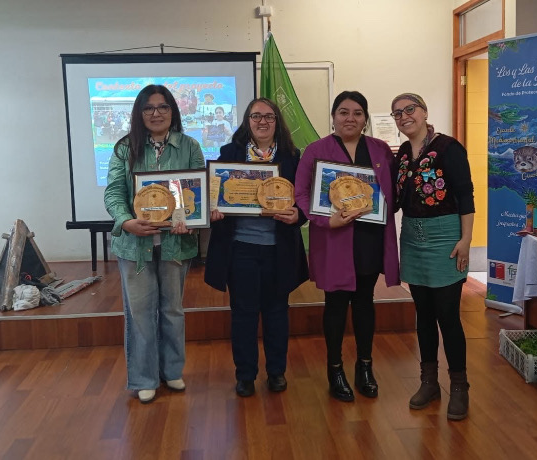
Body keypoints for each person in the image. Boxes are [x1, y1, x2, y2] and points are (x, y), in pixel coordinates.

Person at [295, 91, 399, 402]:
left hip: (369, 238)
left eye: (356, 113)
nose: (349, 118)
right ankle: (335, 368)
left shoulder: (380, 150)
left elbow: (391, 193)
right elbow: (301, 195)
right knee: (336, 305)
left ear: (365, 119)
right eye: (343, 112)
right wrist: (328, 221)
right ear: (333, 117)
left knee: (365, 302)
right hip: (335, 239)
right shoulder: (316, 150)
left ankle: (364, 366)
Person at [104, 84, 205, 404]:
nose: (156, 113)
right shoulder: (124, 148)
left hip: (175, 244)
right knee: (140, 313)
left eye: (163, 107)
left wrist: (191, 217)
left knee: (172, 310)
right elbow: (114, 192)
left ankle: (172, 371)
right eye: (149, 108)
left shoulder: (189, 146)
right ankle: (144, 377)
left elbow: (198, 192)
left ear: (173, 111)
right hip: (135, 245)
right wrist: (126, 221)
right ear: (139, 113)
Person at [205, 98, 308, 397]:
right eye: (256, 116)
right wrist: (214, 208)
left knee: (277, 312)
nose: (262, 121)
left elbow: (302, 198)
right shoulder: (229, 154)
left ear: (277, 121)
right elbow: (215, 194)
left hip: (279, 249)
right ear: (247, 121)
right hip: (241, 248)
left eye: (269, 116)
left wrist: (298, 214)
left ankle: (276, 372)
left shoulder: (292, 157)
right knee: (243, 314)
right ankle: (245, 375)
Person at [390, 93, 475, 420]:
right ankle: (429, 382)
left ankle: (459, 387)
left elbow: (465, 194)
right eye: (398, 113)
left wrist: (466, 240)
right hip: (412, 237)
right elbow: (395, 199)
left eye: (409, 109)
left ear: (424, 111)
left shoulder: (449, 148)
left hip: (445, 238)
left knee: (447, 314)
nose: (403, 116)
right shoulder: (401, 155)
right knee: (423, 313)